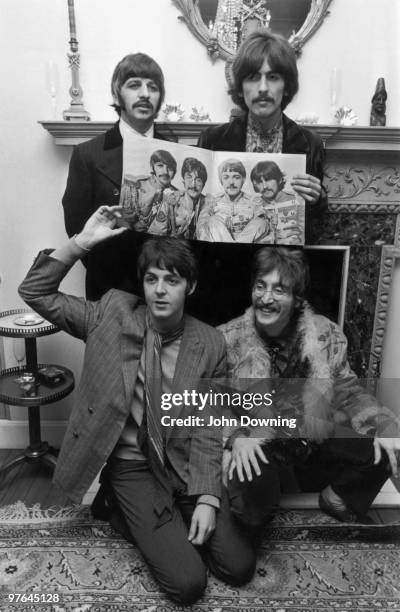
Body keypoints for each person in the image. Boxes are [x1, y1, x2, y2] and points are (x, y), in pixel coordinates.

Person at [18, 206, 255, 605]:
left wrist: (208, 499)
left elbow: (210, 425)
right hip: (132, 466)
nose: (160, 290)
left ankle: (160, 520)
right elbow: (35, 292)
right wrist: (81, 242)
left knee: (238, 567)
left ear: (190, 287)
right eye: (152, 279)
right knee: (187, 584)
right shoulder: (110, 314)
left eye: (172, 280)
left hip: (181, 461)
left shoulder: (210, 342)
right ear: (143, 284)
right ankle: (117, 502)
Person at [218, 247, 400, 527]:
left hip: (310, 438)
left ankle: (335, 498)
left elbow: (349, 392)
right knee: (252, 509)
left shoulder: (325, 334)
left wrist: (384, 424)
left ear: (297, 299)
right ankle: (269, 489)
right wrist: (235, 438)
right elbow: (208, 403)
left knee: (387, 448)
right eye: (260, 286)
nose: (266, 298)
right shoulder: (226, 339)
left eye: (279, 290)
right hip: (260, 441)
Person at [62, 53, 175, 300]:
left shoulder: (177, 153)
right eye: (134, 85)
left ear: (159, 98)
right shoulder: (87, 155)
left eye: (152, 87)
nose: (144, 93)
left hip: (166, 294)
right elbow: (77, 230)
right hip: (108, 292)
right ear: (117, 95)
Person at [197, 29, 327, 243]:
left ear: (286, 87)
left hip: (282, 265)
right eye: (253, 78)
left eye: (273, 77)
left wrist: (317, 200)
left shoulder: (310, 143)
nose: (263, 88)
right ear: (240, 88)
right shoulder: (212, 140)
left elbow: (312, 229)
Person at [197, 159, 265, 243]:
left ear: (243, 180)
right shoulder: (212, 201)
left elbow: (264, 230)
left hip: (247, 250)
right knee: (212, 221)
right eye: (226, 177)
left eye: (236, 177)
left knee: (261, 222)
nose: (231, 182)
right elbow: (201, 229)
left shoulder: (253, 202)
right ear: (221, 181)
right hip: (218, 250)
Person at [250, 161, 304, 244]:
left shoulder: (297, 201)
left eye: (268, 180)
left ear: (279, 180)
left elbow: (304, 234)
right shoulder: (254, 205)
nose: (264, 186)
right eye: (260, 182)